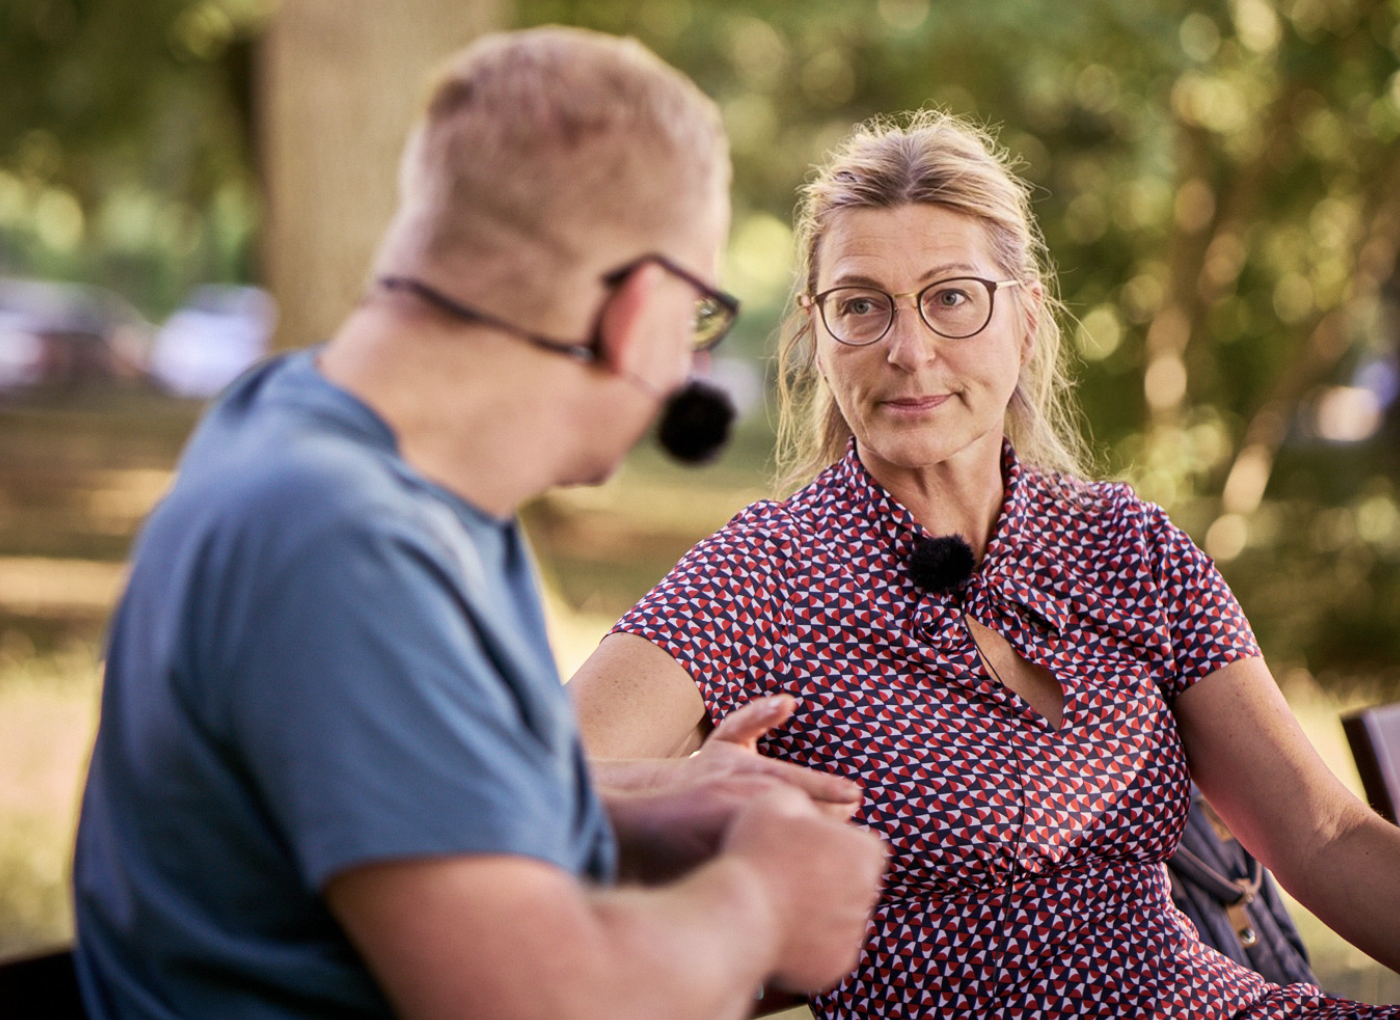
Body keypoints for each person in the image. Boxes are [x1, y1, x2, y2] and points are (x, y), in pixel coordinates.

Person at [71, 27, 887, 1020]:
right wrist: (759, 900)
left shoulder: (317, 434)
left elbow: (364, 788)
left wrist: (629, 805)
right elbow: (541, 1002)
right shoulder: (343, 549)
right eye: (698, 318)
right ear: (637, 315)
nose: (688, 367)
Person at [570, 109, 1400, 1018]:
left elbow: (1322, 835)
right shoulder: (766, 575)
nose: (909, 349)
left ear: (1027, 318)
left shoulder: (1130, 546)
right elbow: (498, 780)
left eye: (953, 296)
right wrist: (675, 786)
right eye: (860, 305)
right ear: (816, 332)